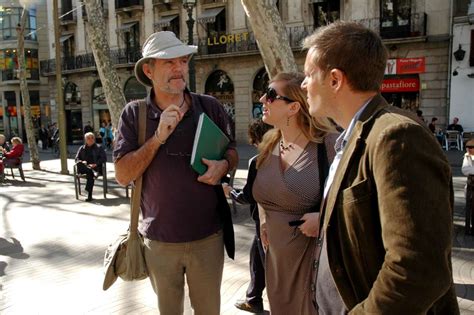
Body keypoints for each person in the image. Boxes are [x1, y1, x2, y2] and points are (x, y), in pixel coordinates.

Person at [301, 21, 459, 314]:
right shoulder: (355, 135)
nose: (303, 84)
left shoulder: (397, 137)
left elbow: (417, 269)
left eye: (309, 75)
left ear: (335, 79)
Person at [113, 31, 238, 315]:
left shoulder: (210, 107)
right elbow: (122, 175)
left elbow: (231, 150)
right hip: (159, 242)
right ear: (148, 69)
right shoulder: (134, 115)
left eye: (182, 60)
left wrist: (225, 165)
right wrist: (157, 138)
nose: (179, 68)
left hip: (208, 238)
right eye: (169, 62)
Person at [251, 72, 336, 314]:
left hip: (313, 262)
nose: (261, 100)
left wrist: (323, 219)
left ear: (294, 107)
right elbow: (263, 192)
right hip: (276, 262)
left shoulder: (328, 145)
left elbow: (354, 203)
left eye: (270, 96)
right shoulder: (269, 144)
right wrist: (265, 219)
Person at [222, 119, 272, 314]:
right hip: (275, 222)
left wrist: (229, 192)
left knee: (267, 264)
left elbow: (248, 196)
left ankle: (258, 299)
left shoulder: (257, 161)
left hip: (265, 223)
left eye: (254, 141)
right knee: (256, 258)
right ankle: (253, 298)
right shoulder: (286, 154)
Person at [74, 132, 107, 202]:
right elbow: (76, 158)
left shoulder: (99, 147)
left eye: (92, 138)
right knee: (81, 164)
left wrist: (95, 164)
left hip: (95, 168)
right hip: (83, 167)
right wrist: (82, 162)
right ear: (85, 140)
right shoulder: (81, 148)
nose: (91, 139)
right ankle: (89, 193)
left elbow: (104, 158)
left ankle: (89, 195)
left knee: (90, 172)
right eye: (88, 138)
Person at [462, 138, 474, 235]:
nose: (468, 149)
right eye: (467, 147)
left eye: (471, 147)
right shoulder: (467, 157)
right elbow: (465, 170)